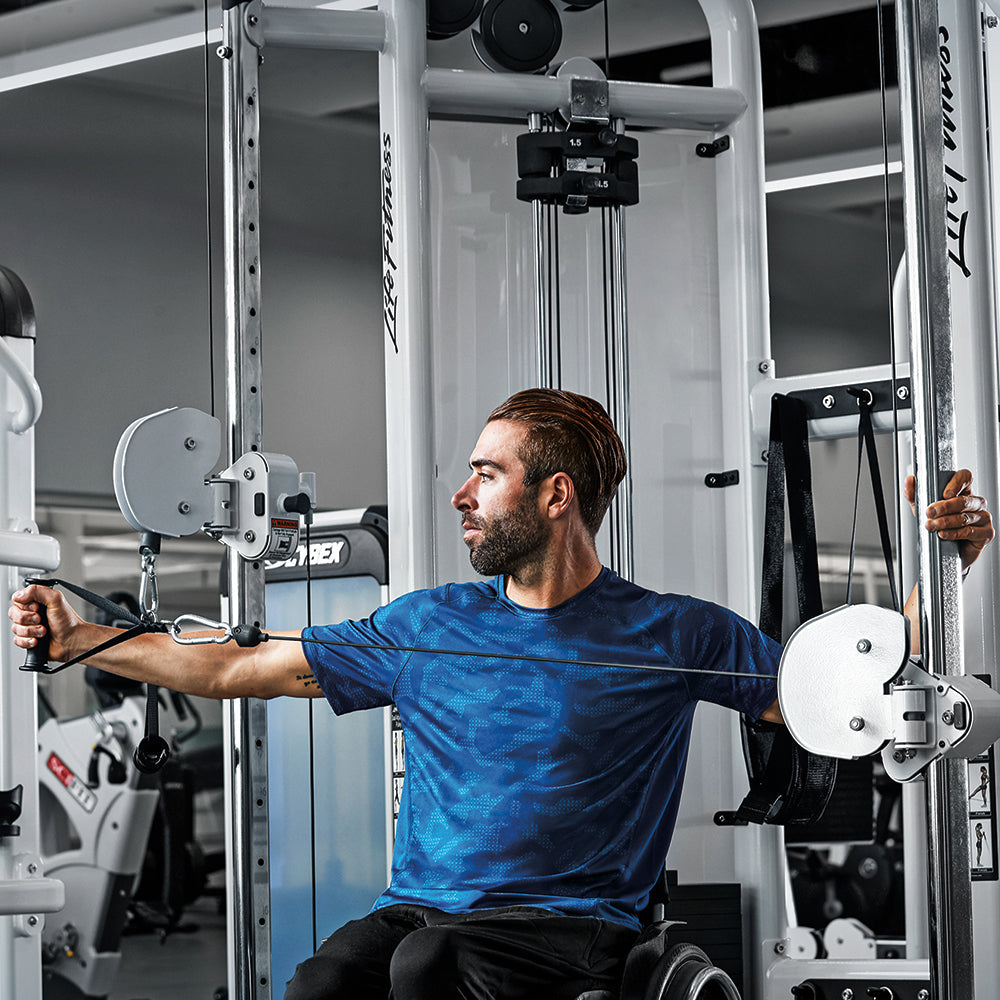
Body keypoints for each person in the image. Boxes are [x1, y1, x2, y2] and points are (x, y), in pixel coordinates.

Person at [8, 389, 994, 1000]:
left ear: (555, 494)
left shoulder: (674, 632)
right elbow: (233, 666)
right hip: (419, 911)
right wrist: (82, 637)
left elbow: (846, 698)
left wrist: (946, 564)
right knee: (322, 981)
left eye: (486, 474)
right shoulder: (429, 622)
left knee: (425, 973)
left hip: (571, 926)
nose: (460, 495)